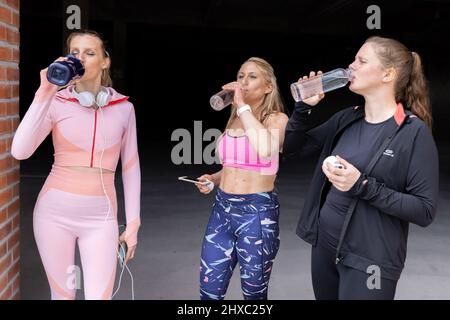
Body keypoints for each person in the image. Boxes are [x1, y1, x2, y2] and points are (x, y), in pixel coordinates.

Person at [283, 36, 439, 300]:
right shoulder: (348, 117)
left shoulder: (413, 133)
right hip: (324, 249)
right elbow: (292, 149)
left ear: (388, 74)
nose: (351, 66)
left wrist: (362, 185)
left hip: (371, 261)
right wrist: (302, 109)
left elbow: (424, 210)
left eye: (361, 60)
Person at [11, 30, 141, 300]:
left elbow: (130, 168)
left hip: (101, 219)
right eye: (74, 52)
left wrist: (133, 224)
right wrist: (44, 92)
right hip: (53, 216)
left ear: (105, 62)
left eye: (89, 52)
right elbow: (20, 151)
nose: (80, 58)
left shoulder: (123, 108)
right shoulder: (56, 102)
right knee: (63, 296)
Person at [195, 57, 289, 300]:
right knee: (209, 290)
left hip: (256, 213)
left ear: (268, 87)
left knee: (254, 294)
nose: (243, 82)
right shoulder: (234, 118)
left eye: (252, 76)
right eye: (240, 76)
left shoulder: (276, 119)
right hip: (222, 210)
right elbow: (232, 166)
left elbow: (265, 149)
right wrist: (213, 179)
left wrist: (242, 106)